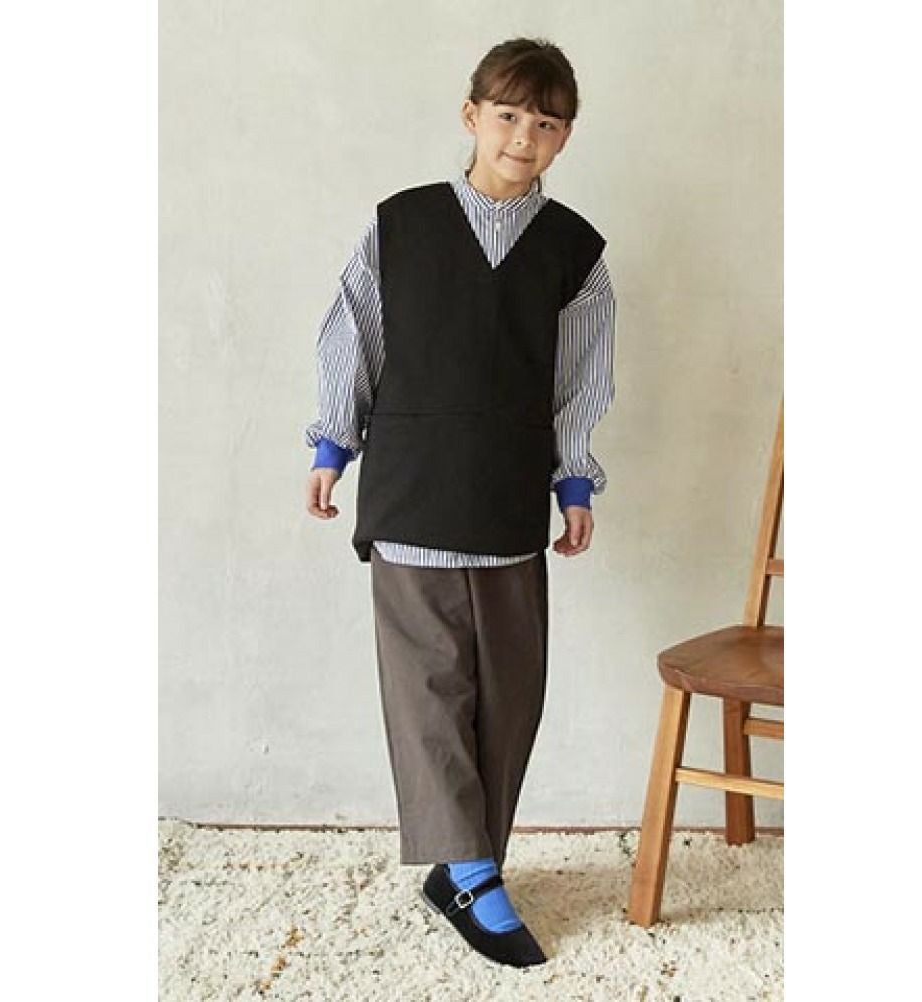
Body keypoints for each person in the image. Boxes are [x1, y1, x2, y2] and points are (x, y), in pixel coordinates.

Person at [303, 37, 615, 968]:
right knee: (430, 687)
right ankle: (472, 872)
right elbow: (352, 335)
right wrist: (331, 445)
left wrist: (574, 481)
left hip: (508, 496)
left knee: (510, 693)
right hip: (412, 489)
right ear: (472, 115)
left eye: (546, 123)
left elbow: (581, 382)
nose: (524, 136)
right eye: (508, 115)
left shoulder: (576, 254)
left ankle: (468, 860)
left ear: (565, 136)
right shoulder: (399, 226)